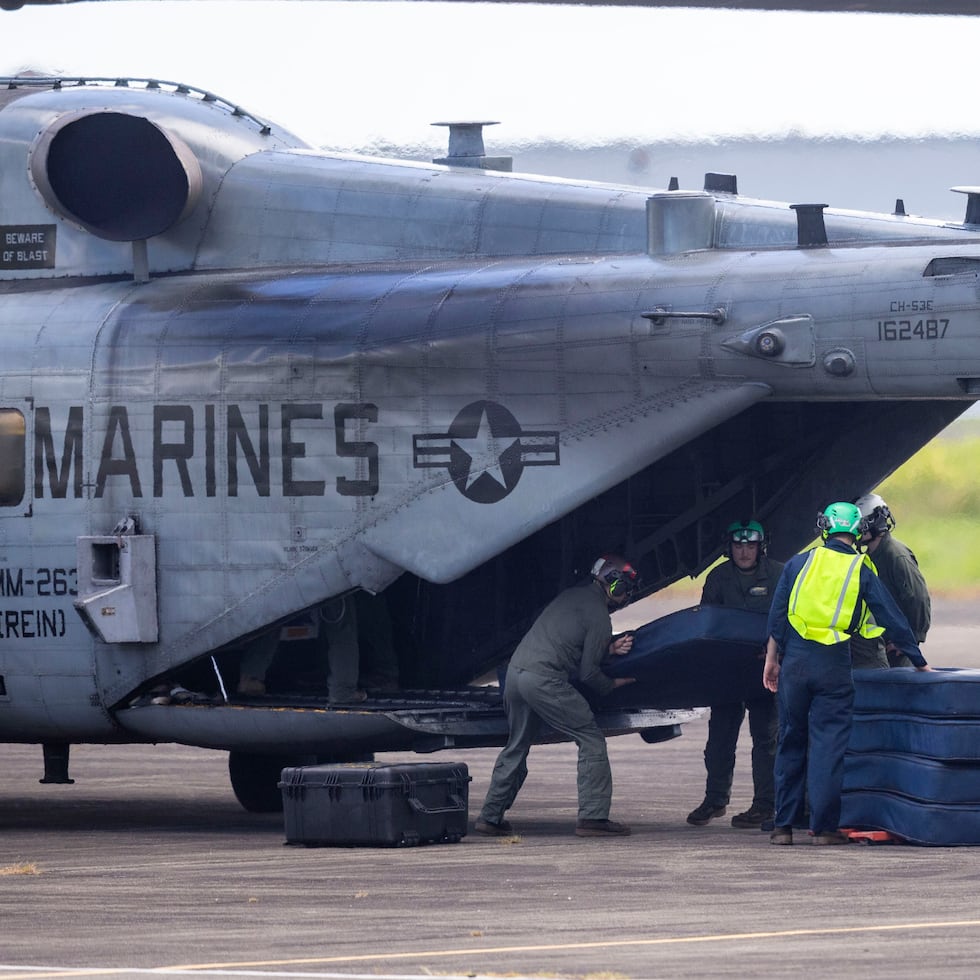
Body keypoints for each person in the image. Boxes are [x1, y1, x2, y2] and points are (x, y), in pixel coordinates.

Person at [763, 502, 932, 846]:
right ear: (855, 531)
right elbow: (890, 615)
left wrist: (771, 660)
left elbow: (777, 616)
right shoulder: (860, 567)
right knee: (827, 746)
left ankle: (783, 827)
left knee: (790, 740)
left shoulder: (799, 562)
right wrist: (918, 659)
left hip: (794, 662)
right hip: (834, 664)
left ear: (824, 528)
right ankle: (823, 829)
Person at [475, 555, 638, 838]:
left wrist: (607, 649)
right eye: (625, 588)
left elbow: (566, 643)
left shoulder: (571, 595)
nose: (626, 595)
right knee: (590, 738)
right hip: (543, 680)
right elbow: (588, 674)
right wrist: (613, 684)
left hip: (515, 675)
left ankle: (490, 816)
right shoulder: (599, 615)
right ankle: (593, 817)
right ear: (614, 585)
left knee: (517, 745)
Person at [686, 520, 784, 830]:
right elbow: (706, 623)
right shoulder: (719, 577)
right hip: (727, 670)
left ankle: (765, 804)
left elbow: (788, 618)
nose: (744, 552)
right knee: (720, 737)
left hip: (765, 668)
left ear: (761, 547)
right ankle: (715, 799)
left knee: (766, 737)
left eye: (750, 545)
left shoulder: (780, 575)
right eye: (738, 545)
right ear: (729, 548)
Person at [850, 493, 931, 669]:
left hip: (897, 649)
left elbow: (918, 599)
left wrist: (911, 639)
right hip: (882, 644)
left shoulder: (895, 556)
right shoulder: (869, 557)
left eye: (861, 524)